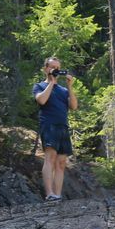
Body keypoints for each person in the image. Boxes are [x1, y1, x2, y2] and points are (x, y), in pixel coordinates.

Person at [33, 57, 78, 201]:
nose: (55, 70)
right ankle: (49, 194)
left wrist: (70, 86)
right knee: (50, 158)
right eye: (52, 67)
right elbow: (41, 100)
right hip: (49, 124)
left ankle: (57, 195)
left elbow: (74, 106)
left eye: (57, 68)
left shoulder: (64, 90)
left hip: (63, 126)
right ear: (46, 69)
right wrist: (51, 83)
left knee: (61, 162)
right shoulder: (39, 86)